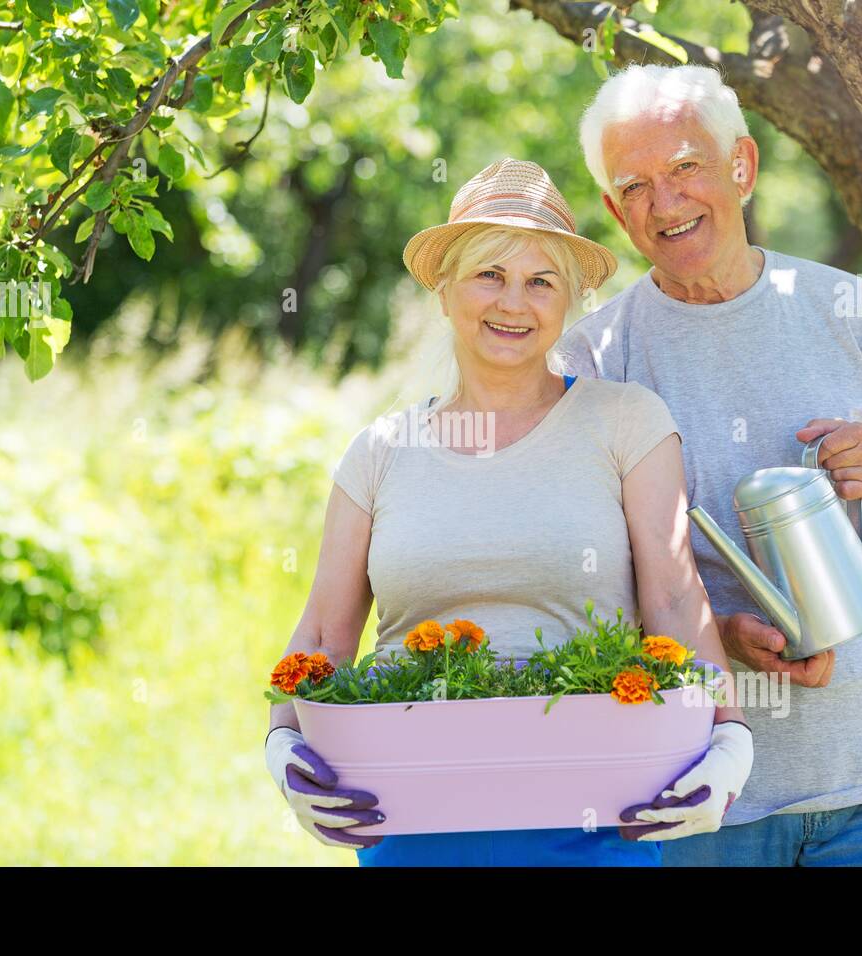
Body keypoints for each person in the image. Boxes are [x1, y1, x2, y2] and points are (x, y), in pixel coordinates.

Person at [265, 158, 752, 866]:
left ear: (568, 302)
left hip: (597, 818)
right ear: (444, 292)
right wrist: (283, 744)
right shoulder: (380, 451)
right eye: (489, 275)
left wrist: (728, 737)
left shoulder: (626, 423)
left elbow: (676, 596)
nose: (513, 303)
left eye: (541, 281)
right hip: (411, 821)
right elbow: (323, 633)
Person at [554, 65, 862, 866]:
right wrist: (716, 635)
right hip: (700, 791)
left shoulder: (847, 307)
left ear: (741, 167)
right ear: (613, 210)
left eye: (685, 167)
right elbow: (581, 580)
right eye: (634, 186)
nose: (665, 204)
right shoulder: (594, 357)